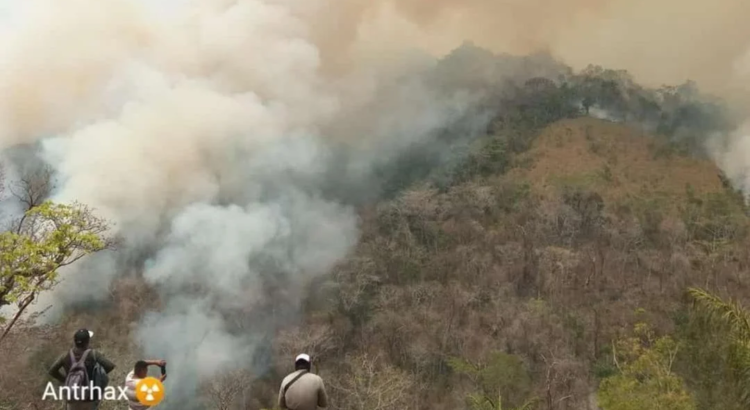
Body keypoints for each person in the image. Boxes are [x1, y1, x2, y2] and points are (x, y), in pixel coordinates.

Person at [47, 329, 116, 410]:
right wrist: (98, 375)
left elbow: (52, 371)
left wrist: (65, 380)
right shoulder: (93, 354)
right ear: (87, 341)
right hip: (89, 398)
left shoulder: (65, 355)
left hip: (72, 397)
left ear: (75, 341)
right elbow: (110, 366)